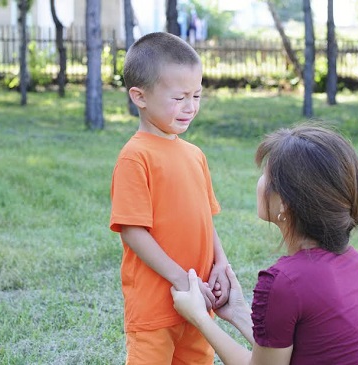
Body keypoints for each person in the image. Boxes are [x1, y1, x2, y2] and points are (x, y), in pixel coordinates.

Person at [171, 124, 358, 365]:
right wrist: (236, 311)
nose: (260, 182)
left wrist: (200, 317)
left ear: (285, 204)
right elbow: (284, 351)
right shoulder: (351, 260)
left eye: (265, 175)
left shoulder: (285, 282)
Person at [109, 31, 230, 365]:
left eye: (197, 95)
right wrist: (181, 279)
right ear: (140, 96)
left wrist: (221, 263)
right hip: (156, 306)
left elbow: (206, 219)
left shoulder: (194, 155)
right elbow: (132, 231)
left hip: (198, 303)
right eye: (179, 98)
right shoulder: (136, 157)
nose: (190, 107)